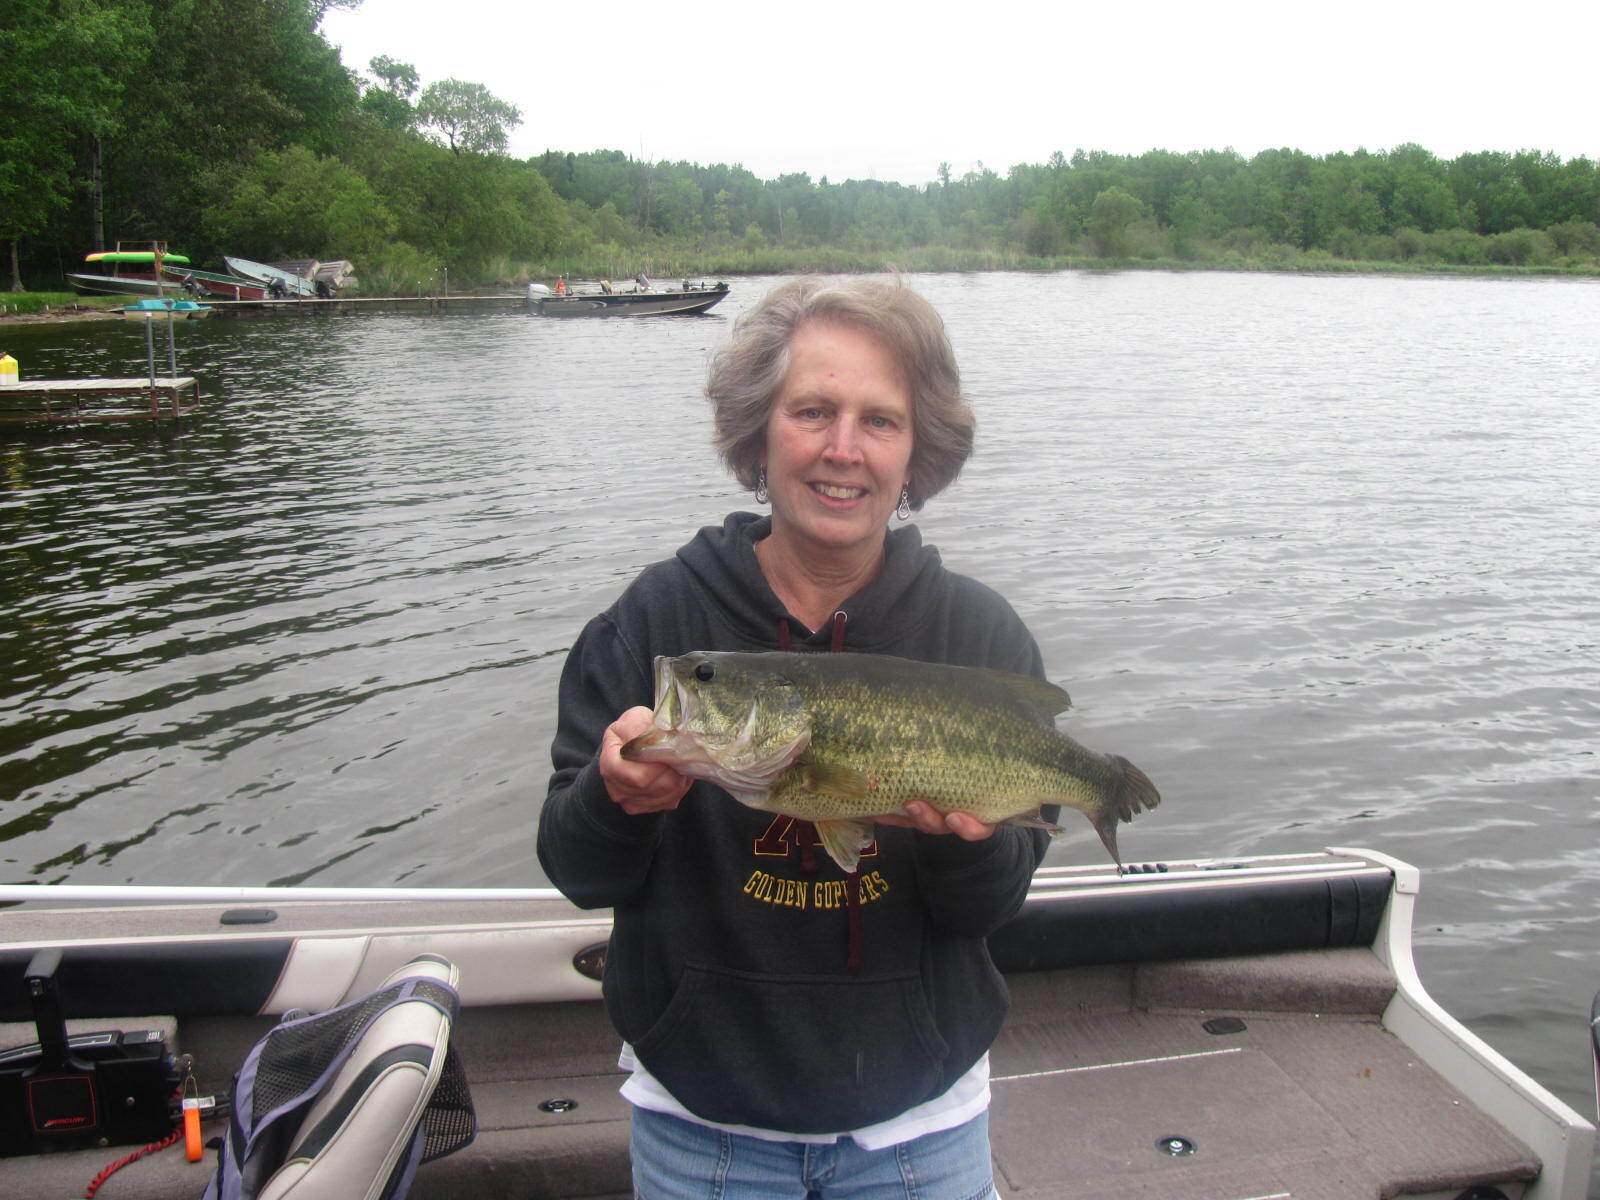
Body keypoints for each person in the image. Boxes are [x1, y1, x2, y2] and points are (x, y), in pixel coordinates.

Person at [538, 276, 1051, 1200]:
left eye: (880, 420)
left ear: (915, 451)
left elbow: (992, 906)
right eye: (812, 410)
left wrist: (963, 849)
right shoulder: (654, 627)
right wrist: (614, 803)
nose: (843, 450)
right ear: (758, 430)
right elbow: (579, 873)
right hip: (702, 1127)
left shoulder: (977, 640)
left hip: (919, 1127)